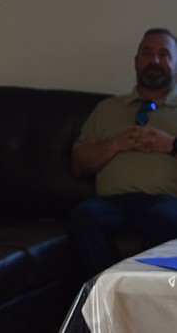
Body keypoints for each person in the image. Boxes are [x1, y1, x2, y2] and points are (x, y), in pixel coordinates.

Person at [70, 28, 177, 278]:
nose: (155, 61)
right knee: (83, 216)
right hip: (113, 203)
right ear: (136, 61)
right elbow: (79, 165)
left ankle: (149, 301)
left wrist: (171, 145)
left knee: (161, 218)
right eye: (147, 53)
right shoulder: (107, 109)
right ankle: (106, 297)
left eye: (164, 54)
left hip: (167, 202)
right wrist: (115, 144)